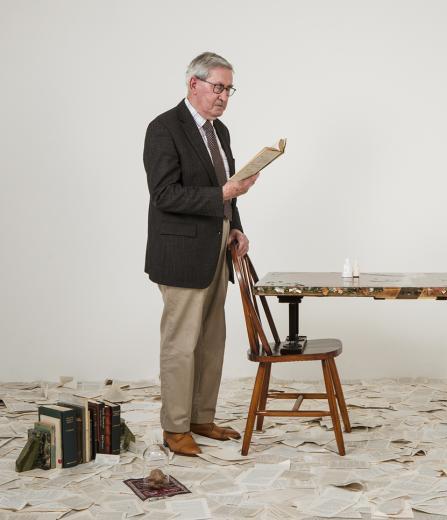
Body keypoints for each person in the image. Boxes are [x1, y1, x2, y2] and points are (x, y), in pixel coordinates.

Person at [143, 52, 258, 456]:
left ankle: (201, 418)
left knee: (211, 341)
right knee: (181, 344)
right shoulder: (164, 128)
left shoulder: (219, 131)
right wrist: (222, 194)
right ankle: (175, 428)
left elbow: (227, 188)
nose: (224, 96)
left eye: (229, 89)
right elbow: (165, 194)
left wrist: (235, 225)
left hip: (217, 248)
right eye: (218, 87)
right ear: (194, 84)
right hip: (180, 254)